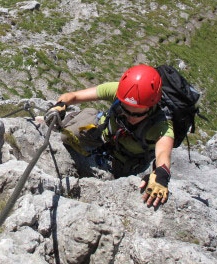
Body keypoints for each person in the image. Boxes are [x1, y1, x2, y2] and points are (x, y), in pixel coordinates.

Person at [45, 65, 174, 208]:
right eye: (125, 109)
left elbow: (163, 153)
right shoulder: (120, 91)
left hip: (127, 158)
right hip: (107, 133)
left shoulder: (162, 125)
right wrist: (60, 105)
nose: (130, 117)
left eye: (137, 113)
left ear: (151, 106)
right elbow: (73, 96)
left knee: (117, 178)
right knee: (67, 136)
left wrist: (161, 174)